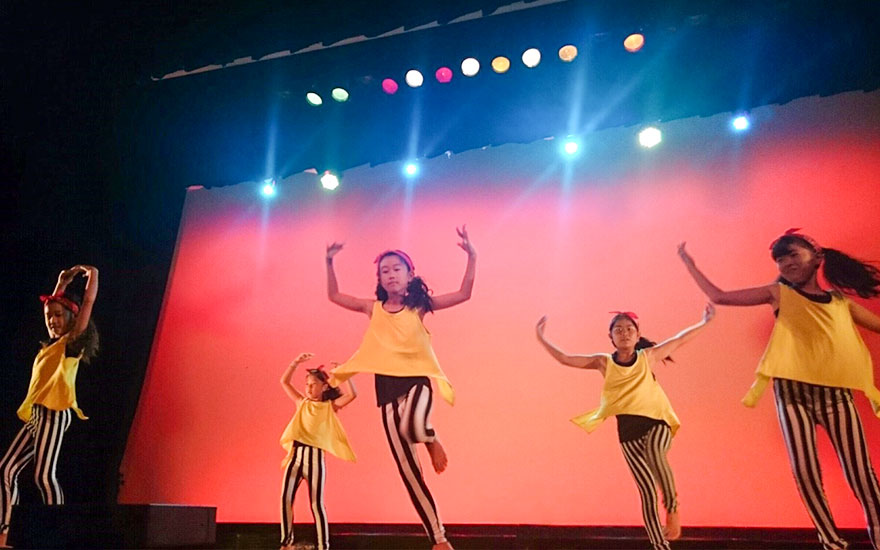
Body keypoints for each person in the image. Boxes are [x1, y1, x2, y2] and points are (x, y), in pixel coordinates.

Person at [678, 230, 880, 550]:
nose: (786, 263)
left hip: (836, 396)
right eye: (780, 259)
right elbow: (720, 297)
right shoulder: (779, 293)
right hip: (791, 395)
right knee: (805, 472)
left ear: (817, 258)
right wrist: (690, 264)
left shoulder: (840, 302)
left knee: (861, 474)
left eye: (793, 255)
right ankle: (831, 542)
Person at [325, 226, 476, 550]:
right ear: (380, 280)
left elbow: (463, 294)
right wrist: (329, 262)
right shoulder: (372, 308)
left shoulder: (418, 307)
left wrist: (472, 257)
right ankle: (439, 539)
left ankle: (430, 437)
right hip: (387, 392)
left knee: (413, 426)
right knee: (409, 472)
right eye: (385, 271)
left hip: (418, 382)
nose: (391, 274)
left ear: (410, 275)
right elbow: (335, 296)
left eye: (397, 269)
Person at [536, 305, 714, 550]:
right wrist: (541, 337)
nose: (624, 333)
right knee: (647, 491)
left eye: (629, 329)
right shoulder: (603, 362)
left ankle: (673, 508)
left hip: (657, 422)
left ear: (637, 335)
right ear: (611, 337)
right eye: (618, 330)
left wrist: (705, 322)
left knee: (655, 450)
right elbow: (565, 358)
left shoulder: (648, 356)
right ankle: (660, 546)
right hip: (628, 435)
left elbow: (679, 340)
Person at [0, 265, 99, 547]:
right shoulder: (50, 346)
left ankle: (59, 532)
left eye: (58, 316)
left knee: (43, 475)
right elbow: (54, 305)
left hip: (55, 413)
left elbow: (87, 303)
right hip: (38, 414)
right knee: (6, 470)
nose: (52, 321)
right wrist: (61, 283)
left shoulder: (71, 344)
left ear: (71, 318)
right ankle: (6, 528)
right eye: (49, 317)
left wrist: (93, 275)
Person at [279, 352, 357, 550]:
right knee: (285, 498)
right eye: (307, 384)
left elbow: (352, 395)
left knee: (316, 503)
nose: (309, 388)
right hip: (296, 456)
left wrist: (344, 373)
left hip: (314, 459)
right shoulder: (301, 403)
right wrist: (295, 363)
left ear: (324, 387)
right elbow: (284, 382)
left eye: (313, 384)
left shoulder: (329, 407)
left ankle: (323, 545)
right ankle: (286, 542)